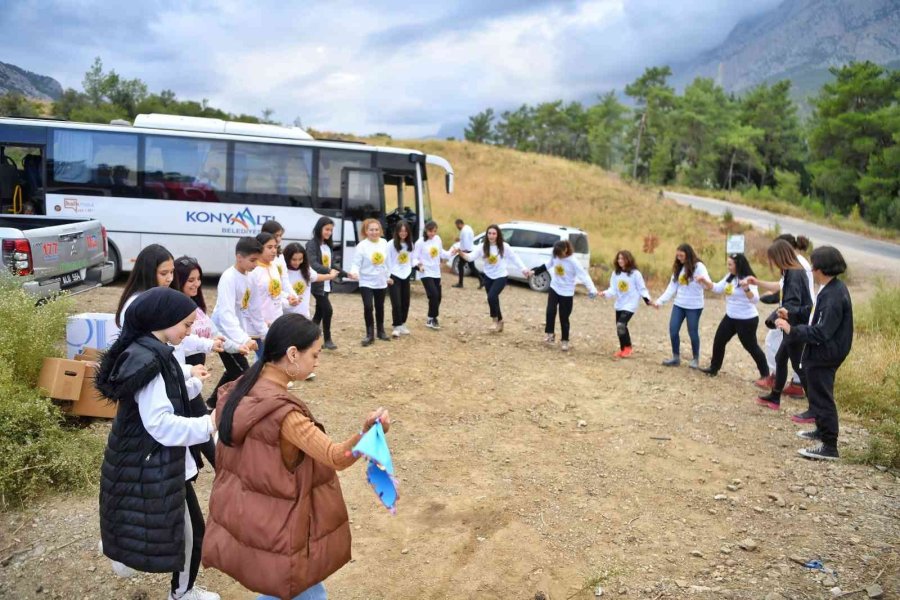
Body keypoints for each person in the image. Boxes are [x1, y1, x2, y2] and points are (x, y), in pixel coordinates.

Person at [202, 314, 391, 600]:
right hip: (283, 523)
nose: (317, 362)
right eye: (314, 354)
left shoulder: (241, 388)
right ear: (292, 354)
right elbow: (335, 456)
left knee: (292, 588)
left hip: (256, 515)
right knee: (298, 588)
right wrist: (368, 434)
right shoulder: (286, 415)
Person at [96, 287, 221, 600]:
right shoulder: (152, 361)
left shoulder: (152, 351)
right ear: (164, 320)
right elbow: (161, 424)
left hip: (147, 460)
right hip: (154, 460)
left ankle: (171, 582)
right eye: (187, 325)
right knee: (189, 531)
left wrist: (192, 384)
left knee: (174, 524)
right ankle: (181, 593)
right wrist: (209, 424)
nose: (189, 331)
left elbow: (167, 396)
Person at [775, 246, 853, 461]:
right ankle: (821, 430)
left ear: (820, 269)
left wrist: (792, 329)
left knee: (822, 397)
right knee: (817, 394)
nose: (811, 271)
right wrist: (792, 313)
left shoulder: (833, 296)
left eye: (813, 266)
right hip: (823, 352)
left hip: (826, 354)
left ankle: (829, 446)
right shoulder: (832, 289)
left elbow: (822, 331)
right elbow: (814, 317)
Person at [746, 239, 813, 414]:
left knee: (799, 366)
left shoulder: (794, 273)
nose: (773, 263)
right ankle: (775, 397)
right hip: (792, 323)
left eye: (773, 259)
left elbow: (796, 302)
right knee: (781, 359)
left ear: (779, 256)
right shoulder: (790, 271)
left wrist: (783, 313)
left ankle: (816, 407)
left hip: (795, 325)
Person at [696, 254, 769, 381]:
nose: (728, 267)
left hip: (747, 319)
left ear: (738, 265)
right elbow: (718, 288)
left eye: (730, 264)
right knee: (719, 341)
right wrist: (704, 281)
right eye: (728, 264)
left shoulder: (749, 279)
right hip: (730, 317)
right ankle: (714, 368)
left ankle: (765, 374)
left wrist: (746, 288)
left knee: (751, 346)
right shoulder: (730, 277)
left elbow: (755, 300)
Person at [210, 237, 262, 407]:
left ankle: (212, 403)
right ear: (239, 257)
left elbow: (252, 308)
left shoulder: (250, 276)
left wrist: (262, 330)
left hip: (237, 333)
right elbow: (226, 314)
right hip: (223, 334)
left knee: (235, 371)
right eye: (252, 260)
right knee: (244, 374)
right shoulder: (228, 278)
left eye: (257, 260)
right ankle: (226, 407)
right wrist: (242, 339)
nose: (255, 264)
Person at [454, 224, 529, 333]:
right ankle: (501, 321)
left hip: (501, 276)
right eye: (489, 233)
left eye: (494, 233)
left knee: (491, 297)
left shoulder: (504, 246)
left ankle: (494, 320)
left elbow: (515, 258)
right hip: (488, 276)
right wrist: (460, 252)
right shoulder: (482, 246)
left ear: (497, 235)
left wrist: (524, 269)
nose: (491, 235)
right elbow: (470, 258)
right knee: (494, 299)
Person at [530, 240, 597, 351]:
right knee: (550, 311)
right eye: (557, 254)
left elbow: (584, 276)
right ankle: (550, 335)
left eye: (560, 253)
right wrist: (534, 271)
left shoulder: (573, 261)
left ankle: (565, 341)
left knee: (564, 317)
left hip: (567, 292)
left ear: (566, 249)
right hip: (555, 288)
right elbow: (548, 264)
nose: (559, 256)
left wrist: (592, 289)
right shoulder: (555, 256)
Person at [652, 243, 709, 368]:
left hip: (694, 306)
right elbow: (671, 288)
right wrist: (659, 301)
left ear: (688, 254)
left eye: (681, 255)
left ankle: (695, 359)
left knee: (692, 332)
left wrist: (702, 281)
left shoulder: (699, 266)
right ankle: (676, 357)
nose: (679, 258)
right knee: (673, 330)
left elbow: (707, 285)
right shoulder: (679, 268)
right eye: (677, 256)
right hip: (679, 304)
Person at [247, 232, 299, 357]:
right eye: (269, 247)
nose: (274, 251)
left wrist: (288, 300)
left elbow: (274, 294)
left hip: (276, 323)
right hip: (259, 327)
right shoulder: (253, 272)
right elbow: (249, 302)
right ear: (259, 248)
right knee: (266, 362)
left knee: (269, 362)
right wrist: (262, 322)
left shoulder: (274, 267)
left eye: (275, 247)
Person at [347, 219, 392, 346]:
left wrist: (389, 276)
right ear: (366, 231)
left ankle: (381, 331)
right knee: (368, 306)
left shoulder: (384, 243)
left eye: (376, 229)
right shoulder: (361, 246)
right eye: (371, 230)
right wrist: (354, 272)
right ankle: (369, 334)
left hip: (380, 280)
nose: (374, 232)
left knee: (380, 306)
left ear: (380, 231)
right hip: (366, 280)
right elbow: (356, 263)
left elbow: (388, 262)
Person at [600, 250, 652, 358]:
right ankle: (623, 348)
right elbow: (613, 289)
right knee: (619, 327)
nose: (620, 261)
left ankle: (628, 347)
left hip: (631, 304)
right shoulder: (616, 273)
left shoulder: (635, 274)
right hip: (620, 304)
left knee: (621, 324)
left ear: (628, 259)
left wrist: (647, 300)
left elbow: (642, 288)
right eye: (619, 258)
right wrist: (604, 293)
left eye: (622, 259)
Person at [115, 244, 177, 327]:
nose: (170, 278)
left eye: (172, 272)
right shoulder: (138, 304)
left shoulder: (158, 299)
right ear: (148, 273)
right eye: (164, 273)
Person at [306, 217, 343, 350]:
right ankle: (327, 339)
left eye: (331, 230)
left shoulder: (328, 246)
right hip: (317, 283)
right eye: (326, 229)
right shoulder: (311, 245)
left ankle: (309, 338)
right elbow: (313, 264)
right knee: (328, 310)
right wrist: (329, 271)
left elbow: (331, 265)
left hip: (326, 284)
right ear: (319, 228)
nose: (329, 232)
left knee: (319, 312)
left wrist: (346, 274)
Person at [283, 243, 338, 320]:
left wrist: (331, 276)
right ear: (287, 258)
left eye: (300, 259)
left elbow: (316, 277)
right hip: (285, 316)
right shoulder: (282, 271)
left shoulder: (306, 269)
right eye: (294, 259)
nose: (297, 263)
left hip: (303, 315)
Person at [414, 220, 452, 330]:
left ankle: (431, 317)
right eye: (430, 231)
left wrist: (451, 253)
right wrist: (419, 265)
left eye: (435, 231)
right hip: (425, 272)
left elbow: (441, 253)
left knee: (438, 297)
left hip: (436, 272)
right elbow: (414, 257)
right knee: (433, 294)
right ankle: (433, 318)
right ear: (426, 230)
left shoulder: (437, 239)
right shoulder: (420, 242)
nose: (432, 233)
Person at [387, 220, 415, 338]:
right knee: (396, 302)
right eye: (401, 231)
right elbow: (387, 260)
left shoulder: (410, 245)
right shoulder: (391, 244)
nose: (403, 233)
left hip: (406, 275)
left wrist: (419, 266)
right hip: (394, 276)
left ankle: (403, 323)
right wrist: (387, 276)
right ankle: (396, 326)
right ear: (397, 232)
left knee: (405, 302)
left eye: (405, 231)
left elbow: (411, 260)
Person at [452, 218, 477, 288]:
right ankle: (481, 280)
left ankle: (460, 283)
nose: (457, 228)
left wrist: (461, 251)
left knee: (460, 266)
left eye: (457, 226)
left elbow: (465, 241)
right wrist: (459, 239)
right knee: (472, 267)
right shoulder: (468, 228)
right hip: (469, 249)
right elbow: (467, 239)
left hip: (465, 251)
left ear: (459, 224)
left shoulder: (464, 231)